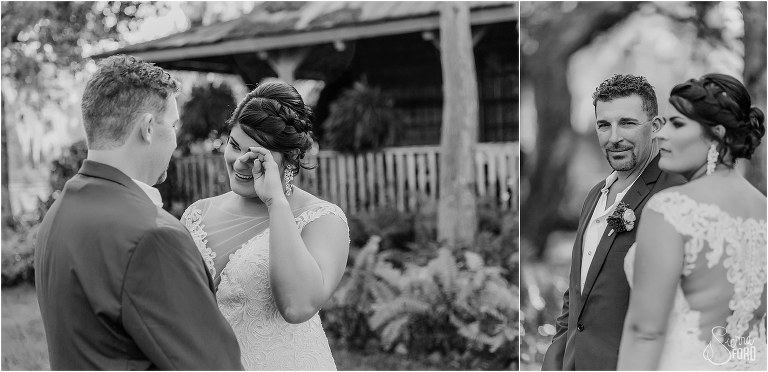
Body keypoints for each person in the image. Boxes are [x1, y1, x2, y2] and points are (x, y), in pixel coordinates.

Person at [34, 55, 242, 370]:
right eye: (172, 125)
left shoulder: (59, 213)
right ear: (147, 128)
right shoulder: (153, 236)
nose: (174, 140)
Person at [181, 81, 350, 370]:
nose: (239, 163)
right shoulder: (197, 214)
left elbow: (298, 307)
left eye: (258, 155)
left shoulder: (323, 220)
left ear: (289, 159)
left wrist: (276, 203)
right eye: (234, 145)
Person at [618, 73, 767, 370]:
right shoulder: (764, 209)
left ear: (719, 134)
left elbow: (646, 332)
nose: (660, 134)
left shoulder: (671, 210)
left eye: (677, 124)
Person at [542, 74, 686, 370]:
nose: (613, 137)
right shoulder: (595, 195)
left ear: (656, 127)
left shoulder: (674, 195)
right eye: (603, 125)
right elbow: (576, 294)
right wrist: (555, 361)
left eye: (628, 123)